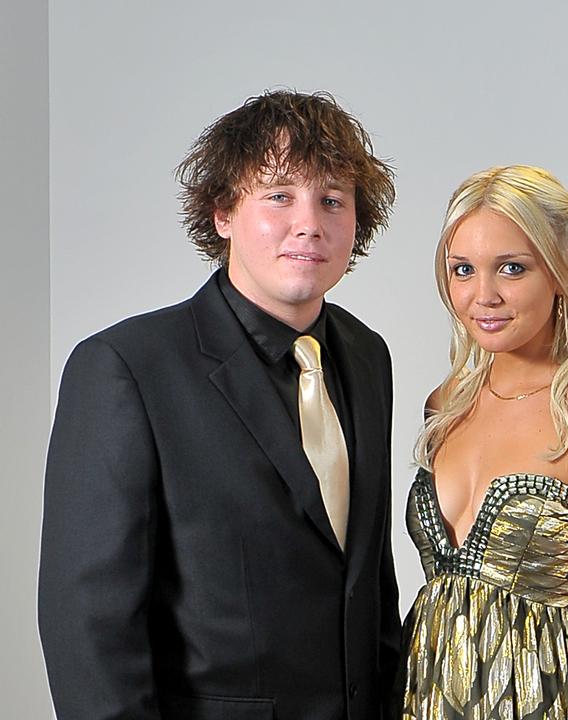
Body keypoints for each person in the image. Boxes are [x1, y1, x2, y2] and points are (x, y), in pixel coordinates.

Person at [38, 90, 400, 720]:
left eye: (332, 200)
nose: (309, 222)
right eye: (280, 195)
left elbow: (370, 580)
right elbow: (89, 623)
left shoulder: (368, 356)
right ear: (223, 212)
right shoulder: (126, 368)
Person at [400, 165, 568, 719]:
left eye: (511, 269)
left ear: (564, 269)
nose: (483, 295)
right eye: (462, 270)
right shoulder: (444, 406)